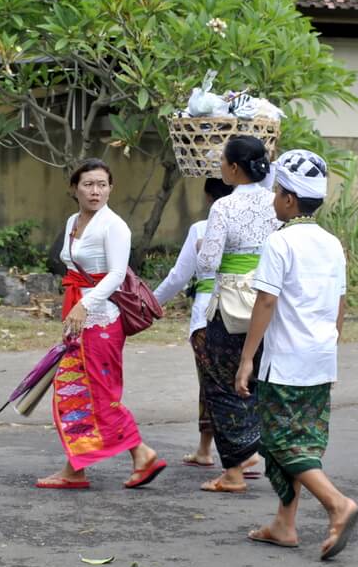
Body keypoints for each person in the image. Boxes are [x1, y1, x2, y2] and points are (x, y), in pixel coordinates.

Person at [234, 149, 358, 560]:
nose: (273, 199)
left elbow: (266, 303)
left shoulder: (280, 241)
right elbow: (341, 304)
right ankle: (284, 523)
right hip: (321, 357)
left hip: (285, 360)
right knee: (305, 439)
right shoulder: (332, 244)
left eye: (276, 193)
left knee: (278, 442)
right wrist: (329, 346)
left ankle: (337, 504)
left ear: (289, 199)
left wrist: (247, 357)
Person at [36, 159, 167, 490]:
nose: (96, 191)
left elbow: (117, 275)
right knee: (74, 391)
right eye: (88, 185)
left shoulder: (114, 226)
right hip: (78, 317)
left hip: (103, 319)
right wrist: (75, 307)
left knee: (98, 392)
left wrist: (84, 304)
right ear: (74, 189)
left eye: (102, 185)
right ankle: (76, 468)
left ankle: (142, 452)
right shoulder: (72, 221)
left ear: (111, 188)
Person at [196, 135, 280, 493]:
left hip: (230, 304)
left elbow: (207, 264)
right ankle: (260, 451)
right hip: (270, 299)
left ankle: (233, 468)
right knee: (261, 379)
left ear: (232, 168)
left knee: (221, 383)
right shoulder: (278, 201)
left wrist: (203, 249)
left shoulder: (224, 207)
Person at [153, 178, 236, 468]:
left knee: (211, 385)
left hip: (207, 316)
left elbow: (178, 276)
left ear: (210, 197)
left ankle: (211, 450)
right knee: (241, 382)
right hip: (247, 314)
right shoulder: (259, 227)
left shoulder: (203, 229)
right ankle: (244, 452)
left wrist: (149, 303)